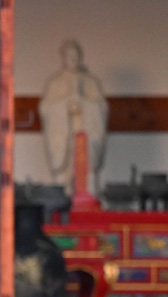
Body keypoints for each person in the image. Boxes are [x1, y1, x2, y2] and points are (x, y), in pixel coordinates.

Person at [39, 40, 108, 195]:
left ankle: (88, 200)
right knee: (63, 181)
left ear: (81, 57)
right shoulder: (55, 83)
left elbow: (101, 107)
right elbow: (45, 108)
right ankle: (61, 201)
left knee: (87, 175)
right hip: (64, 136)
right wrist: (65, 104)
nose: (73, 60)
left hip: (84, 133)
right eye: (69, 56)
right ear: (63, 58)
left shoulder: (91, 82)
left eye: (76, 56)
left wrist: (83, 103)